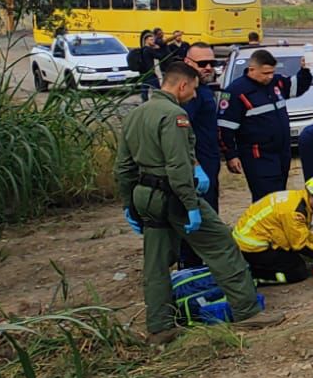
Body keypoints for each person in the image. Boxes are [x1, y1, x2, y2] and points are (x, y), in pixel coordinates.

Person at [115, 60, 276, 344]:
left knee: (155, 263)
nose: (194, 95)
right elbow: (178, 166)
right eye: (193, 89)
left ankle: (160, 326)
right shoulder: (174, 115)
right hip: (173, 195)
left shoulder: (136, 114)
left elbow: (124, 167)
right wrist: (191, 205)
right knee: (222, 244)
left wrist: (130, 203)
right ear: (182, 85)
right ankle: (248, 312)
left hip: (145, 194)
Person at [217, 48, 313, 201]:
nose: (269, 77)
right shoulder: (236, 91)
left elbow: (297, 87)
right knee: (266, 199)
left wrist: (305, 70)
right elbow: (225, 127)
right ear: (252, 69)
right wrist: (231, 155)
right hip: (258, 155)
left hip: (281, 152)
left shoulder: (276, 82)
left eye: (272, 72)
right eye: (265, 73)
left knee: (279, 195)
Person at [232, 174, 313, 285]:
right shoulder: (295, 213)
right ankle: (254, 277)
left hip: (249, 239)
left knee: (294, 259)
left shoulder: (298, 200)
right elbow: (301, 245)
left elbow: (301, 233)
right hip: (252, 248)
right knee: (297, 272)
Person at [177, 42, 223, 269]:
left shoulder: (204, 90)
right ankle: (190, 267)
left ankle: (198, 263)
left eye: (212, 63)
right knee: (199, 222)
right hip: (198, 168)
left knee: (209, 215)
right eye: (202, 63)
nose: (208, 68)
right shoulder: (190, 95)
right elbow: (183, 134)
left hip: (210, 165)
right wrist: (196, 166)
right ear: (188, 63)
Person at [127, 30, 161, 100]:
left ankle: (144, 101)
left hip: (143, 72)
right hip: (150, 72)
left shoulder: (142, 49)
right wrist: (158, 49)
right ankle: (159, 100)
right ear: (146, 41)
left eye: (153, 40)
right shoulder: (149, 50)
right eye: (151, 40)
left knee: (144, 88)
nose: (153, 41)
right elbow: (159, 56)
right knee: (157, 89)